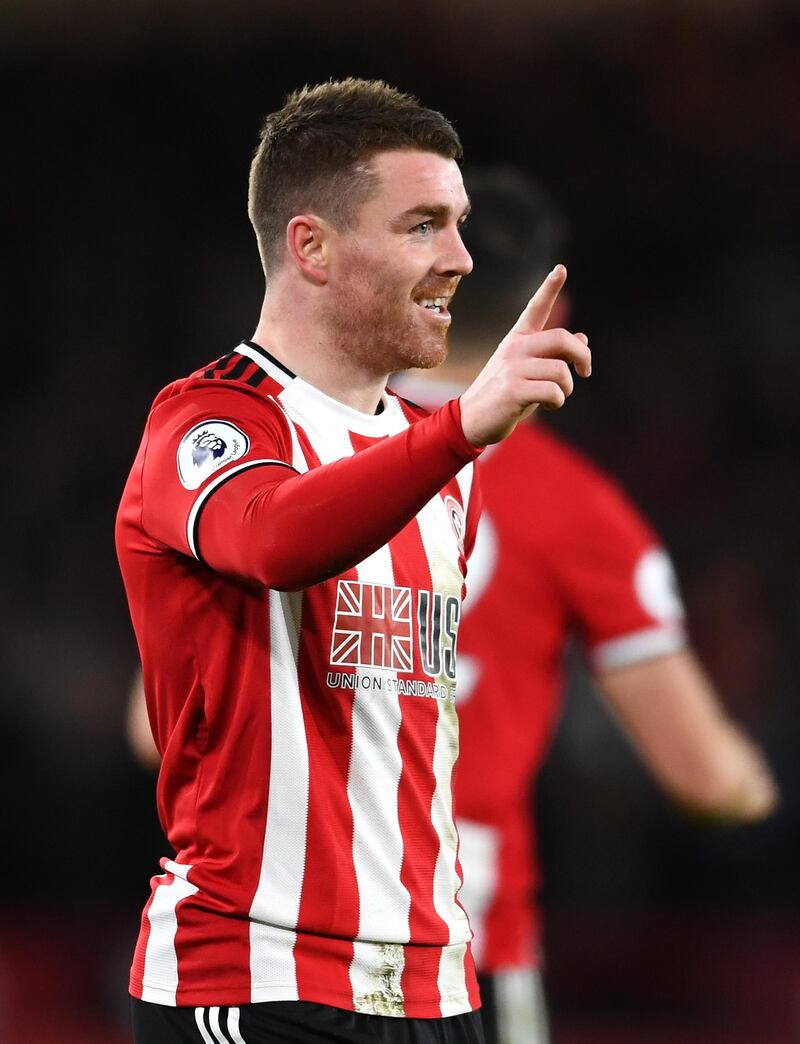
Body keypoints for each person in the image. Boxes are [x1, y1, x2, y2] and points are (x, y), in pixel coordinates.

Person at [115, 81, 592, 1044]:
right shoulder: (207, 420)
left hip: (433, 987)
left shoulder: (440, 469)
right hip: (253, 980)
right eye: (423, 226)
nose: (460, 258)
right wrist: (462, 428)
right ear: (312, 246)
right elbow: (278, 540)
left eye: (459, 226)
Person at [392, 167, 779, 1044]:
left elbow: (159, 728)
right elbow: (707, 781)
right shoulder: (577, 510)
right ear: (550, 322)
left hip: (277, 950)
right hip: (463, 956)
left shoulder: (292, 454)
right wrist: (757, 789)